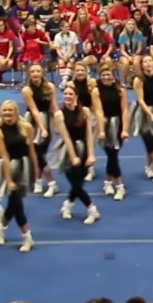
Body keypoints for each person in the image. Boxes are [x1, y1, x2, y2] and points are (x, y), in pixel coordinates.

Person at [0, 100, 39, 251]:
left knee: (13, 203)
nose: (7, 113)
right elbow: (4, 157)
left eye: (10, 110)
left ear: (16, 112)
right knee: (16, 202)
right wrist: (9, 179)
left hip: (25, 165)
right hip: (10, 167)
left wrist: (36, 168)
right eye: (4, 110)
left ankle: (1, 229)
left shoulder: (26, 128)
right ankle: (27, 236)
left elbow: (31, 150)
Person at [54, 83, 100, 225]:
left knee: (78, 182)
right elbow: (66, 137)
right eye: (65, 94)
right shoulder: (59, 114)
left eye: (70, 94)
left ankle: (68, 204)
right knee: (74, 181)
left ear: (76, 96)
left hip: (84, 148)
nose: (67, 96)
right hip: (68, 150)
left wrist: (91, 154)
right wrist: (73, 156)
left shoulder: (85, 111)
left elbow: (89, 135)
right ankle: (92, 208)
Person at [21, 64, 60, 197]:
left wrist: (59, 124)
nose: (35, 74)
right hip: (32, 121)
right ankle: (51, 182)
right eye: (32, 71)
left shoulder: (50, 87)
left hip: (47, 119)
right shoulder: (27, 90)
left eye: (38, 71)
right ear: (29, 74)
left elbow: (54, 106)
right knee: (37, 152)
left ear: (42, 73)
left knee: (42, 151)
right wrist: (42, 128)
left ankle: (38, 179)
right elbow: (34, 110)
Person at [94, 65, 130, 201]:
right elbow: (98, 111)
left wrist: (125, 129)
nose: (106, 77)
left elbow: (125, 111)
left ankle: (108, 182)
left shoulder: (120, 90)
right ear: (99, 77)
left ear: (114, 76)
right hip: (105, 123)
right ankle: (120, 185)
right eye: (103, 75)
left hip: (118, 124)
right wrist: (102, 130)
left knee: (113, 154)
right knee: (112, 154)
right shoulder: (96, 91)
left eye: (109, 75)